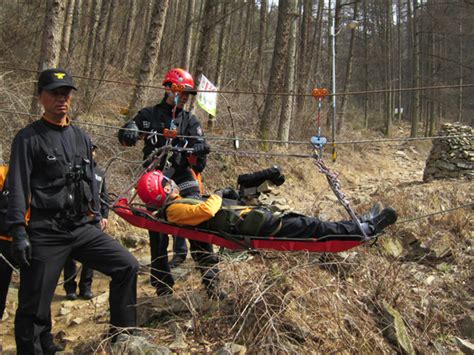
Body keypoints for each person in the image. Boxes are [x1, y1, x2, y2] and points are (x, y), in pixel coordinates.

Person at [6, 68, 139, 353]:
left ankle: (124, 340)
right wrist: (18, 230)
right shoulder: (28, 138)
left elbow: (92, 180)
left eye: (65, 93)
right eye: (54, 93)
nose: (61, 99)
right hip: (45, 230)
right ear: (41, 97)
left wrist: (99, 212)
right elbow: (17, 185)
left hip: (81, 227)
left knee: (126, 265)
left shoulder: (81, 137)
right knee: (34, 307)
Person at [118, 68, 224, 299]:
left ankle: (212, 283)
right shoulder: (149, 115)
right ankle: (162, 285)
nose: (186, 96)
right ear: (169, 88)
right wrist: (128, 132)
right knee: (156, 231)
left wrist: (200, 151)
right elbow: (127, 136)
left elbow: (201, 155)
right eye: (182, 91)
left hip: (183, 176)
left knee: (197, 220)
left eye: (188, 93)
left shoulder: (190, 120)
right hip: (155, 178)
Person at [136, 170, 398, 241]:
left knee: (312, 224)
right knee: (314, 228)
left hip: (255, 219)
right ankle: (365, 229)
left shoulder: (177, 206)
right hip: (257, 227)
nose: (172, 183)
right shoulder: (173, 211)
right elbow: (207, 211)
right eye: (167, 183)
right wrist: (215, 194)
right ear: (162, 192)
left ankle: (358, 224)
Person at [62, 144, 109, 300]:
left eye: (93, 150)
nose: (91, 153)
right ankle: (70, 288)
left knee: (91, 256)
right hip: (73, 217)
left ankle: (86, 288)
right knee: (69, 255)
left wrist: (105, 215)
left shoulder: (99, 173)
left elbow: (104, 197)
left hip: (94, 217)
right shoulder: (73, 168)